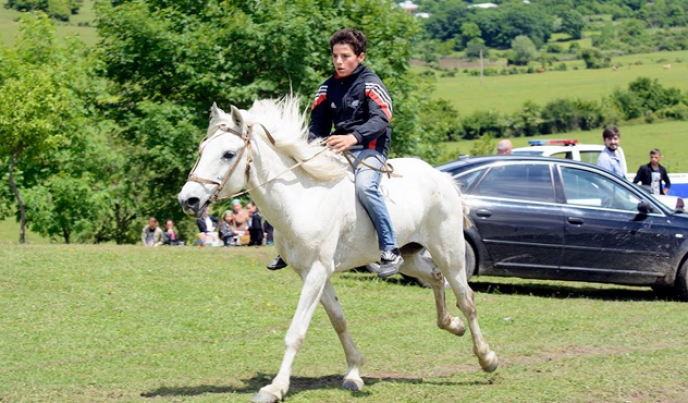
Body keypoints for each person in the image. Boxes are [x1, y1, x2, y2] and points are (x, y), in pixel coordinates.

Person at [267, 29, 404, 278]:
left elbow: (382, 117)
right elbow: (318, 125)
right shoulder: (326, 88)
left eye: (345, 56)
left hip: (370, 147)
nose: (339, 62)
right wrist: (310, 150)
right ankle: (287, 246)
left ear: (360, 56)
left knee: (365, 187)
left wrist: (353, 137)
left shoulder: (371, 83)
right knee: (298, 180)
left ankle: (390, 248)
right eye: (335, 56)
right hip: (337, 149)